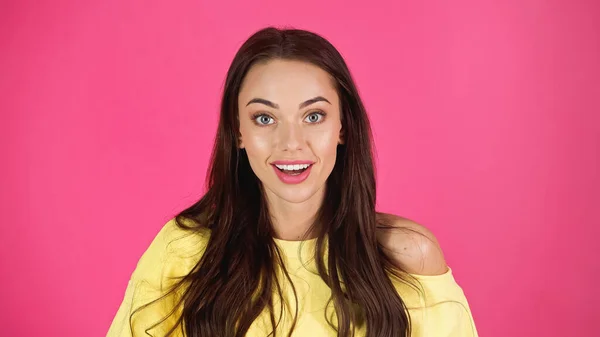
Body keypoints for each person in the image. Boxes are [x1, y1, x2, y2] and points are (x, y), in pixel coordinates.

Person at [106, 27, 478, 337]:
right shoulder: (184, 251)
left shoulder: (410, 257)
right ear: (238, 132)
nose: (291, 143)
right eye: (265, 118)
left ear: (343, 127)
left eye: (313, 116)